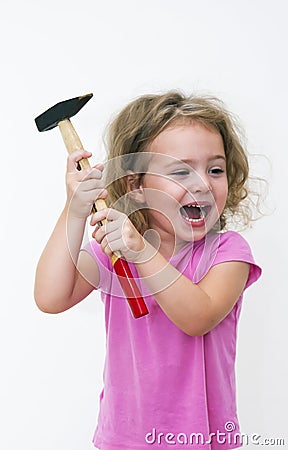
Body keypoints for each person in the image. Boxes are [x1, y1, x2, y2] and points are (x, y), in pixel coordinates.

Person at [34, 91, 262, 450]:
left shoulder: (228, 252)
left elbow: (197, 316)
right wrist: (74, 209)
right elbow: (50, 296)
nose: (202, 183)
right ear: (136, 187)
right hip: (123, 440)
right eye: (180, 171)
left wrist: (141, 252)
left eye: (215, 169)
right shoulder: (115, 251)